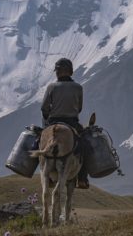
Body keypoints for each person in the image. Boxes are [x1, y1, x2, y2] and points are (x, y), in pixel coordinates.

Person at [40, 57, 89, 189]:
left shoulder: (51, 87)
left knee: (37, 142)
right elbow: (79, 108)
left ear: (58, 72)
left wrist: (47, 120)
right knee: (85, 145)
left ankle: (45, 174)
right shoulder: (78, 88)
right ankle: (82, 179)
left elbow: (44, 108)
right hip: (72, 123)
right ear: (71, 71)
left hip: (52, 122)